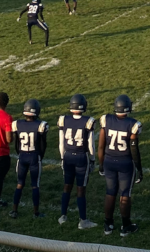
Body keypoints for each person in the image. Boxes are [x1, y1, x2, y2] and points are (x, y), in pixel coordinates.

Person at [97, 94, 143, 237]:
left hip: (109, 161)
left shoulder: (106, 119)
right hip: (125, 163)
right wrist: (139, 168)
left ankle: (108, 224)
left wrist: (101, 164)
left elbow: (100, 146)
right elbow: (134, 149)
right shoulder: (133, 124)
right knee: (124, 195)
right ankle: (125, 225)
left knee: (110, 192)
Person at [57, 94, 97, 229]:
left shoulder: (63, 120)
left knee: (67, 186)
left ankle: (63, 216)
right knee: (81, 189)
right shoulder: (88, 121)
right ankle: (83, 221)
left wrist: (63, 157)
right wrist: (92, 159)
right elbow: (91, 145)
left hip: (68, 155)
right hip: (81, 157)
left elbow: (61, 143)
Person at [10, 98, 47, 219]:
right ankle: (36, 212)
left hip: (22, 156)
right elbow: (43, 144)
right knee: (35, 185)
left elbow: (16, 144)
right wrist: (40, 156)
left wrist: (20, 153)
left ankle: (14, 210)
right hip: (34, 156)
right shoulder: (41, 125)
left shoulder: (17, 124)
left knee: (19, 184)